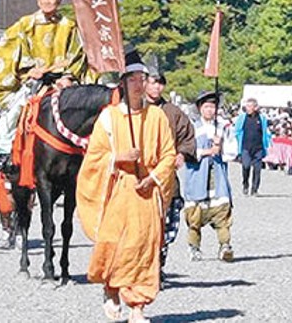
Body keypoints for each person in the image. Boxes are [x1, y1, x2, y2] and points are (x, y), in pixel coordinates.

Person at [0, 0, 97, 247]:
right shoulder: (23, 26)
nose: (49, 2)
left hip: (64, 85)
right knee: (5, 127)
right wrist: (28, 71)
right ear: (38, 0)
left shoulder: (70, 26)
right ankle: (8, 164)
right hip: (34, 85)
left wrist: (68, 77)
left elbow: (79, 57)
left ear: (59, 1)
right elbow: (8, 54)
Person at [76, 49, 176, 322]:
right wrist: (118, 157)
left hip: (146, 191)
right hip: (118, 188)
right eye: (132, 78)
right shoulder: (109, 117)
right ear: (123, 82)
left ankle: (138, 307)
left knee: (144, 248)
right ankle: (111, 287)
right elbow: (94, 156)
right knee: (115, 245)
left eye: (142, 78)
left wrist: (153, 177)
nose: (138, 83)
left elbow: (168, 154)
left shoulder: (157, 117)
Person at [144, 69, 196, 286]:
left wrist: (182, 153)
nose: (157, 87)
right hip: (139, 176)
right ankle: (141, 271)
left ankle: (158, 267)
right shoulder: (132, 109)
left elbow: (187, 135)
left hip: (166, 179)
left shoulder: (173, 112)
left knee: (166, 226)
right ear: (144, 83)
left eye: (160, 83)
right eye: (153, 82)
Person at [184, 91, 234, 263]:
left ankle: (225, 244)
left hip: (217, 177)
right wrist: (206, 152)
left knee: (222, 212)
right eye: (206, 107)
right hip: (197, 176)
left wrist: (221, 146)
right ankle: (194, 247)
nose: (210, 110)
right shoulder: (192, 127)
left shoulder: (223, 128)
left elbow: (232, 152)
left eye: (212, 106)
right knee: (195, 216)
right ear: (199, 108)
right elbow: (186, 151)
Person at [234, 98, 271, 196]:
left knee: (257, 169)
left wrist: (267, 144)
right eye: (247, 106)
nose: (248, 108)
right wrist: (238, 143)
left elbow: (265, 132)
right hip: (246, 147)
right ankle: (245, 184)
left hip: (258, 147)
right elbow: (237, 131)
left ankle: (254, 189)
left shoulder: (262, 118)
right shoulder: (242, 118)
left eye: (250, 106)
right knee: (246, 166)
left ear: (255, 107)